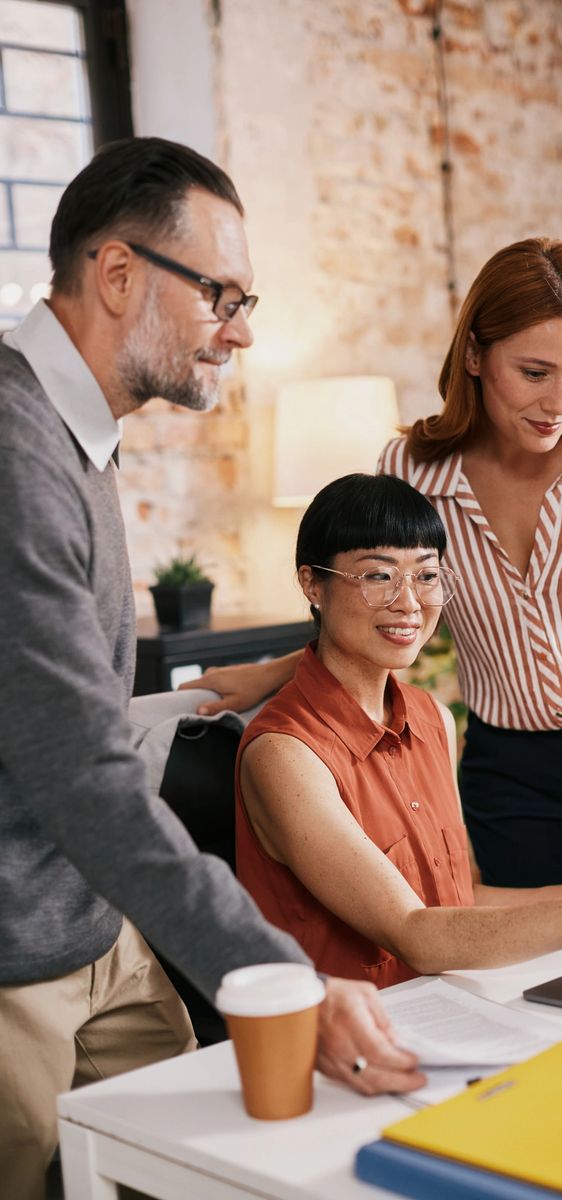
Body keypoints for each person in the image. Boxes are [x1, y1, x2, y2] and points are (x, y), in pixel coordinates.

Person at [0, 138, 421, 1200]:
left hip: (97, 925)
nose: (241, 331)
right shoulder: (15, 456)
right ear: (117, 274)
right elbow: (75, 768)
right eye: (221, 295)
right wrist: (277, 968)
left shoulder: (76, 433)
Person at [187, 236, 562, 889]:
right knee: (524, 970)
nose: (560, 401)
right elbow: (399, 613)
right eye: (535, 373)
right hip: (514, 775)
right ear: (475, 354)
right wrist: (276, 675)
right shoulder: (412, 470)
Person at [234, 472, 562, 985]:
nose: (409, 603)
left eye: (427, 576)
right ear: (311, 583)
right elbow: (416, 934)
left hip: (451, 1002)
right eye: (378, 576)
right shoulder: (286, 753)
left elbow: (459, 900)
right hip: (351, 1034)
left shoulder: (427, 716)